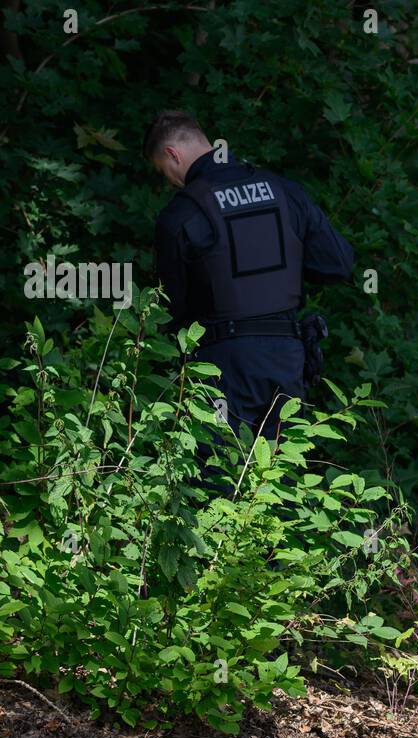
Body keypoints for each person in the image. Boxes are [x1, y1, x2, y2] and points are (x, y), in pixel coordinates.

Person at [146, 110, 354, 481]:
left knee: (217, 477)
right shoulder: (284, 190)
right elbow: (337, 263)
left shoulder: (182, 213)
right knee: (281, 475)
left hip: (224, 360)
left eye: (165, 171)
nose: (171, 183)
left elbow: (170, 311)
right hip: (288, 356)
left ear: (174, 154)